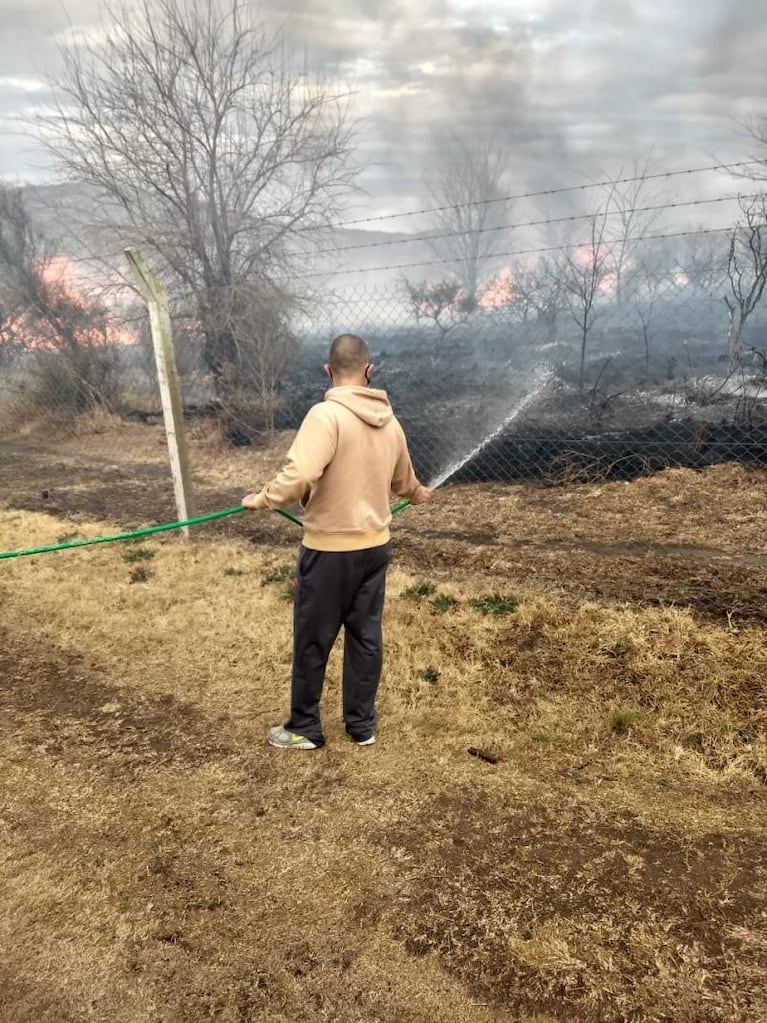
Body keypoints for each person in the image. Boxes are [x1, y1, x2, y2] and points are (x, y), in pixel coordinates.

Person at [241, 334, 431, 750]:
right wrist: (417, 493)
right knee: (365, 637)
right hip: (375, 549)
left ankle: (304, 728)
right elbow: (404, 482)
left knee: (313, 638)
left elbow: (300, 474)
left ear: (328, 371)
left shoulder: (325, 416)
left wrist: (262, 500)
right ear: (369, 371)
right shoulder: (390, 422)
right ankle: (361, 726)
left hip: (329, 552)